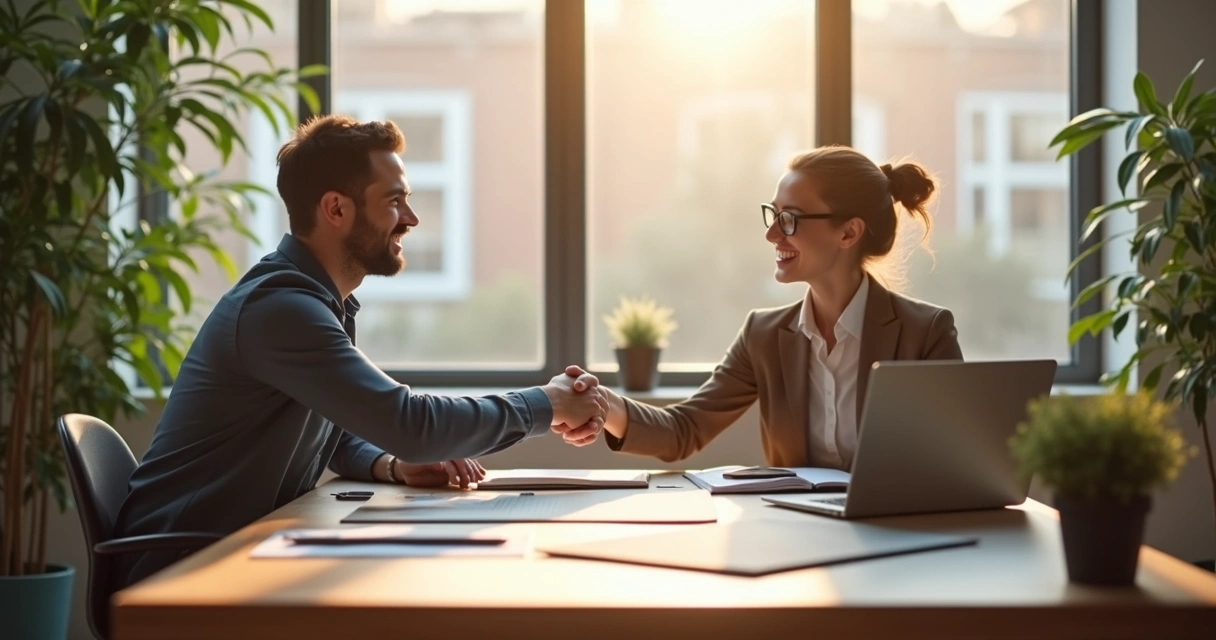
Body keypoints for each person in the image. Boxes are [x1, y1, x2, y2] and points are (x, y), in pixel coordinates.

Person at [113, 115, 605, 587]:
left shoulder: (315, 302)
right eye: (394, 201)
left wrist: (392, 466)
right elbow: (412, 425)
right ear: (336, 209)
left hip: (231, 554)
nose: (410, 219)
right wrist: (549, 402)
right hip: (182, 569)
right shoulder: (282, 309)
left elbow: (336, 432)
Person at [555, 146, 962, 470]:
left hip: (899, 544)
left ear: (849, 232)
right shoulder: (764, 336)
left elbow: (959, 461)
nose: (771, 234)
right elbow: (685, 430)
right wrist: (604, 404)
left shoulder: (925, 334)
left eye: (789, 219)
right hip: (797, 539)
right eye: (773, 215)